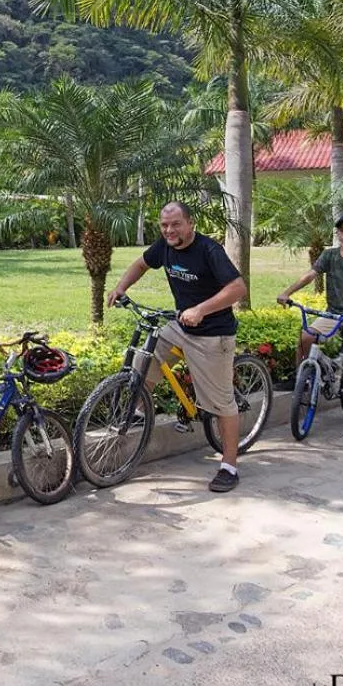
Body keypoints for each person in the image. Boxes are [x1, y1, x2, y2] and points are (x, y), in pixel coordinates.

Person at [109, 201, 248, 493]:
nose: (169, 230)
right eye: (164, 225)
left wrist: (201, 309)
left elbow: (238, 288)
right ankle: (138, 408)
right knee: (145, 360)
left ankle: (229, 466)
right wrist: (121, 287)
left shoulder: (209, 250)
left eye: (176, 225)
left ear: (190, 223)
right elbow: (141, 264)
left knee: (221, 403)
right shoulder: (165, 246)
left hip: (213, 334)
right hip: (180, 326)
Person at [276, 214, 343, 430]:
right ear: (338, 234)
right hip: (333, 312)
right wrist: (287, 292)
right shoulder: (330, 255)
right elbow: (310, 275)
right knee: (306, 336)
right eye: (342, 231)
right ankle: (303, 377)